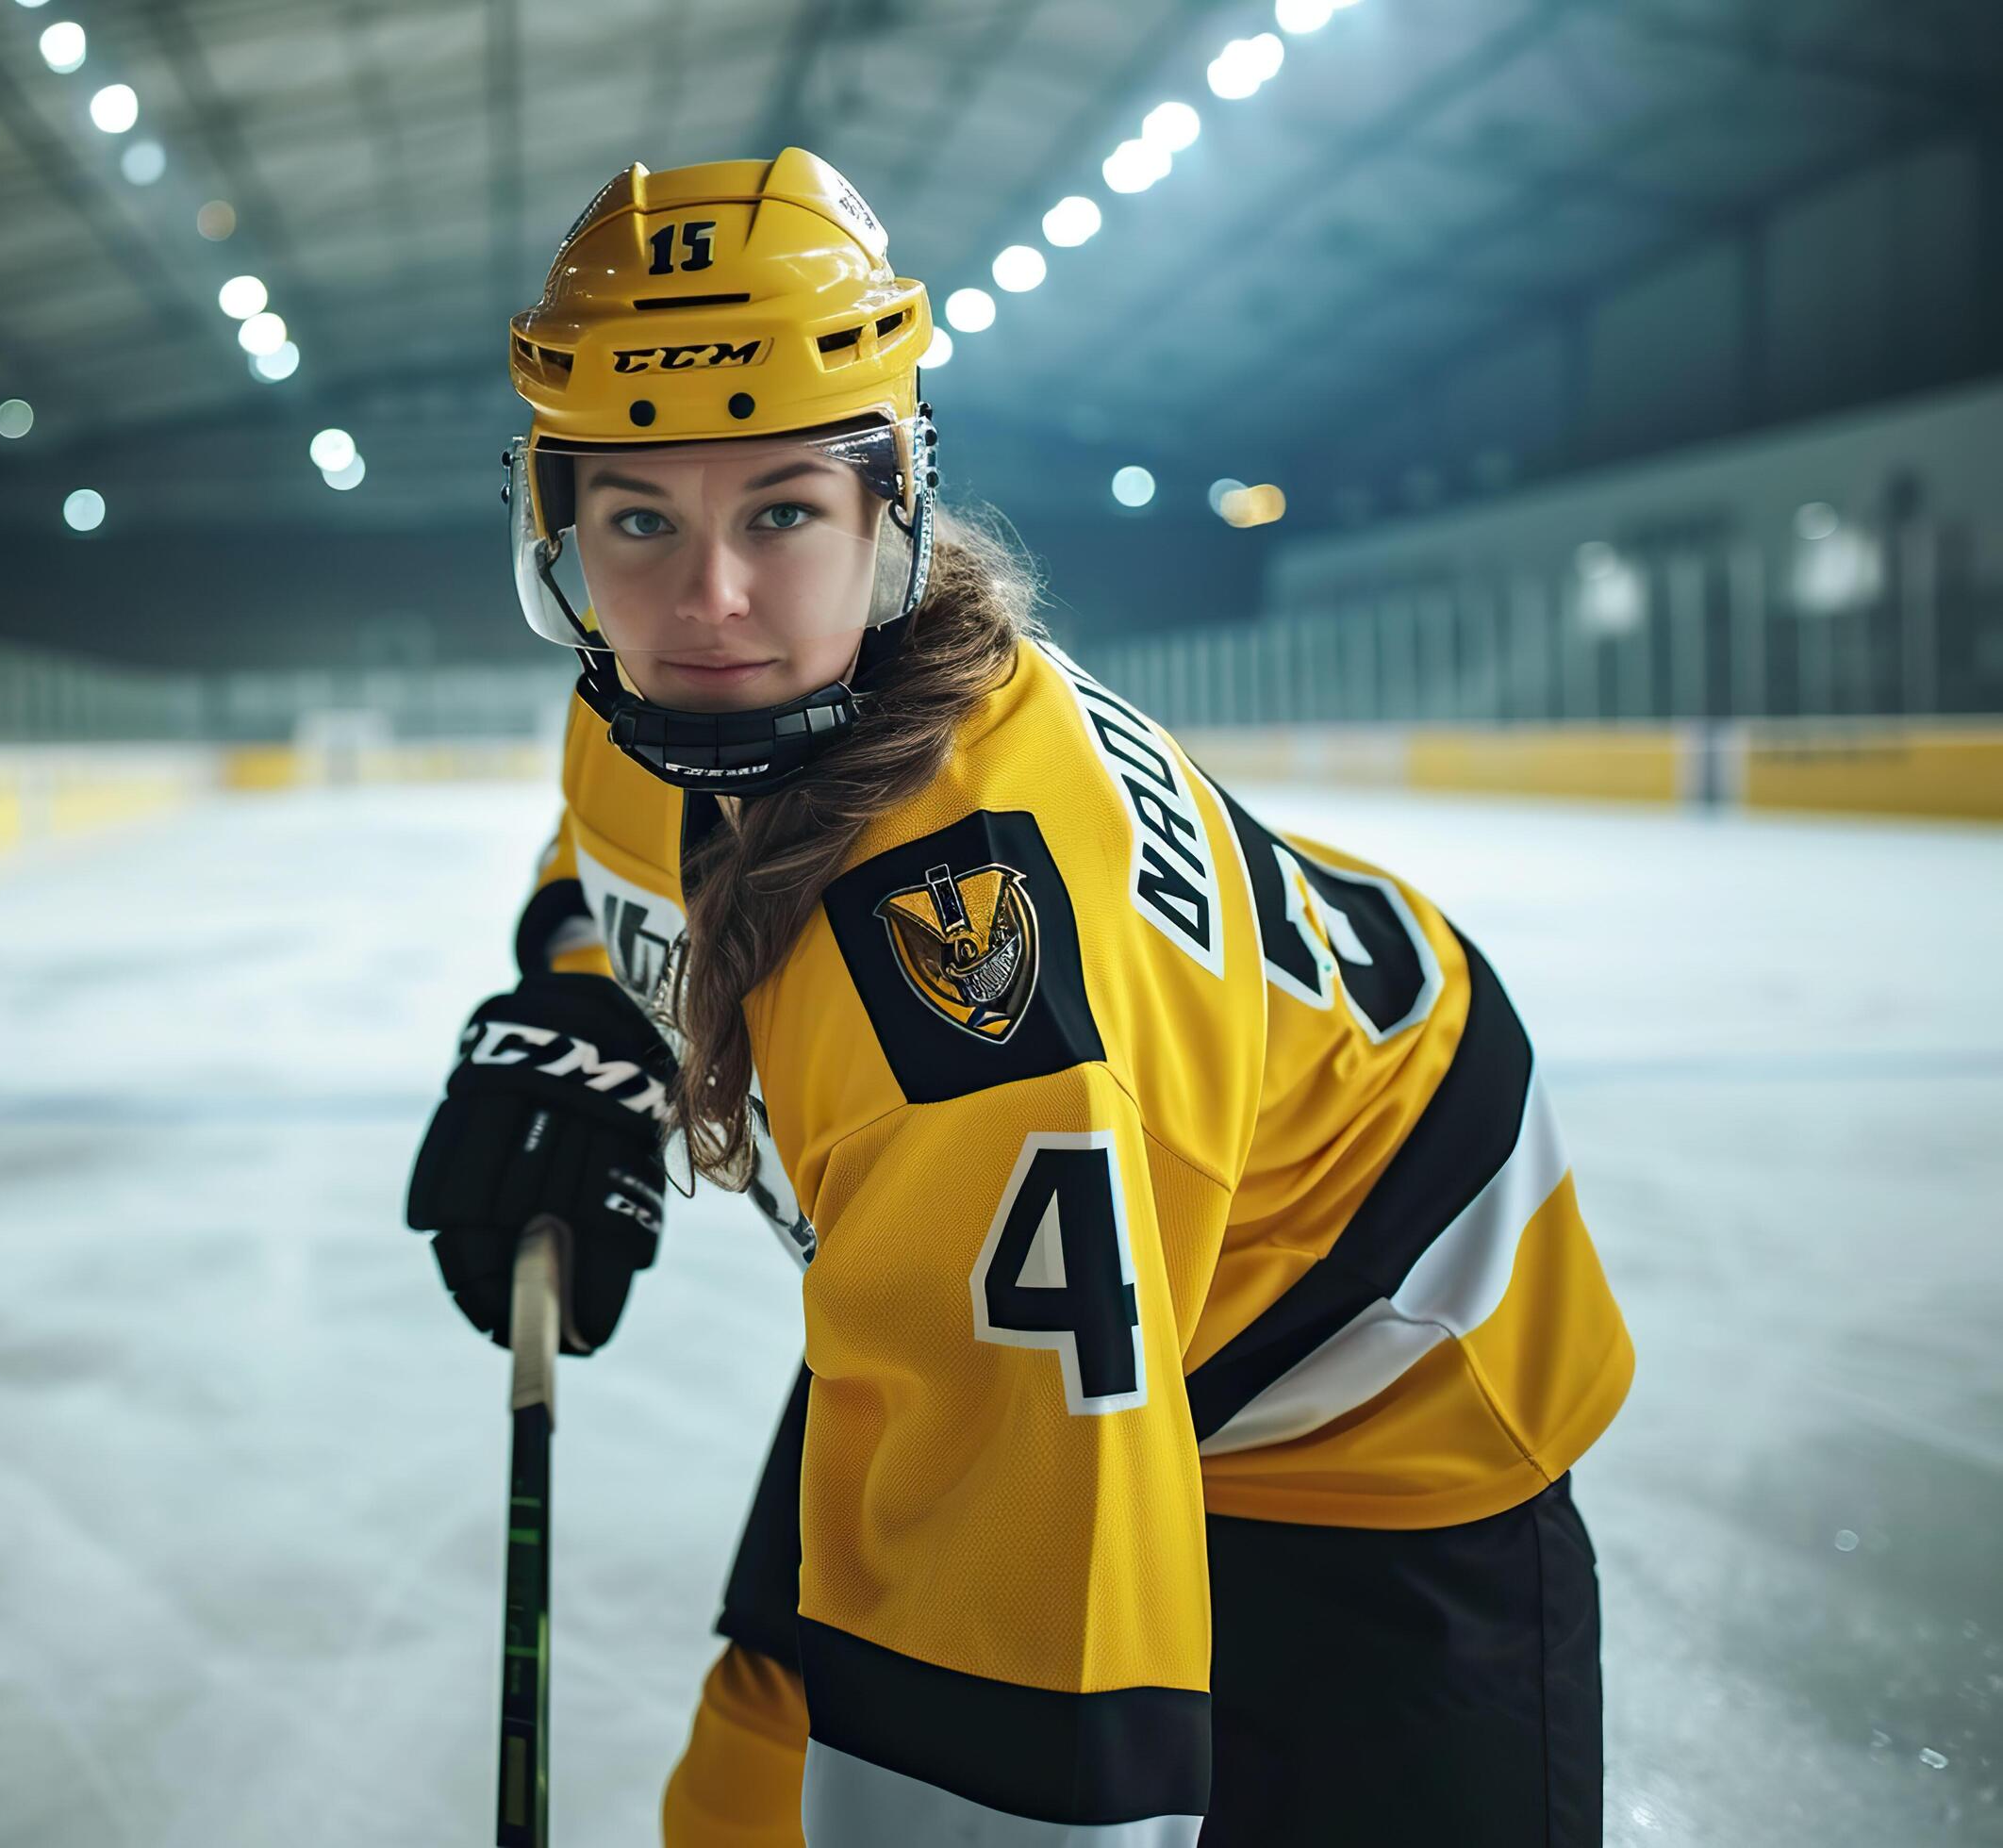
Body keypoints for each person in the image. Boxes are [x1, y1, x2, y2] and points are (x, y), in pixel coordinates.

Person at [406, 148, 1632, 1847]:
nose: (708, 603)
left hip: (1367, 1392)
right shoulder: (645, 711)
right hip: (1098, 1244)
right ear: (562, 525)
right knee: (757, 1784)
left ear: (890, 502)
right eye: (638, 517)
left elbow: (1011, 1716)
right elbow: (615, 861)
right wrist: (584, 1017)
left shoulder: (968, 979)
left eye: (779, 509)